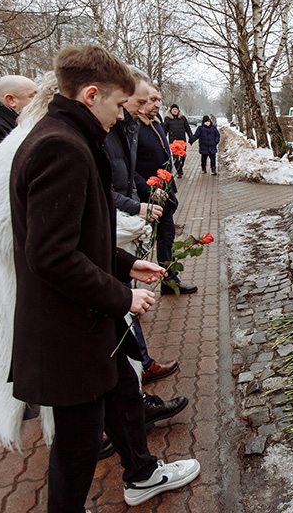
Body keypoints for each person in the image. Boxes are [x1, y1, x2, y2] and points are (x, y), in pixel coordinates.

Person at [9, 45, 199, 511]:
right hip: (69, 328)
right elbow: (51, 256)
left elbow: (79, 235)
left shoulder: (68, 136)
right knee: (77, 444)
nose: (121, 116)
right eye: (118, 104)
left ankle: (141, 473)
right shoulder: (61, 146)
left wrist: (124, 264)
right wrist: (121, 296)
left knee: (122, 392)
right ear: (91, 95)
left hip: (88, 321)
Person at [104, 68, 182, 382]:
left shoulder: (136, 125)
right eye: (140, 101)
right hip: (123, 216)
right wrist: (138, 203)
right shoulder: (106, 132)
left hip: (134, 211)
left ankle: (140, 367)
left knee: (126, 300)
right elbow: (109, 185)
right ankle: (139, 370)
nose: (134, 110)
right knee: (121, 303)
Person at [135, 85, 197, 295]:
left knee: (167, 239)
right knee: (140, 245)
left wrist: (173, 189)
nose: (157, 104)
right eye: (152, 99)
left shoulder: (156, 123)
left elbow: (166, 160)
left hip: (164, 197)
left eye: (159, 100)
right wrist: (147, 189)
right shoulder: (135, 127)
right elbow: (129, 169)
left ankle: (169, 281)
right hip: (143, 200)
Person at [162, 104, 192, 178]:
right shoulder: (167, 119)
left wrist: (191, 136)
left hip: (182, 141)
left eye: (176, 109)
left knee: (183, 156)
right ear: (171, 111)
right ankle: (179, 171)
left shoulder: (183, 118)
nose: (175, 111)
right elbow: (164, 130)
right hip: (173, 141)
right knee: (175, 157)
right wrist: (162, 139)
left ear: (178, 110)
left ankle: (180, 167)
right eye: (173, 109)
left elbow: (187, 128)